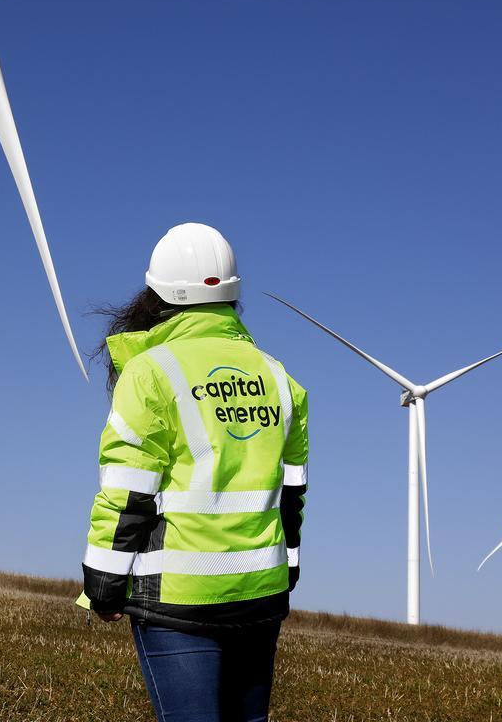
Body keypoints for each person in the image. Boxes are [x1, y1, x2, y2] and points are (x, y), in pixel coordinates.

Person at [81, 222, 308, 722]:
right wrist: (287, 565)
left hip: (177, 599)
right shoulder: (278, 377)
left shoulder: (151, 371)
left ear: (158, 291)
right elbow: (293, 493)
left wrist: (104, 580)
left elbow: (128, 491)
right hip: (261, 595)